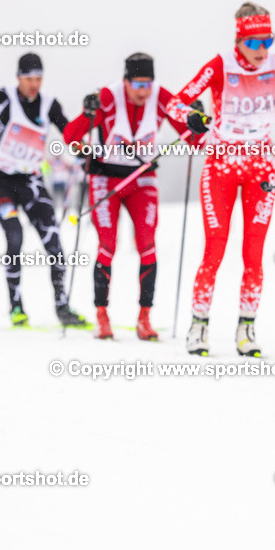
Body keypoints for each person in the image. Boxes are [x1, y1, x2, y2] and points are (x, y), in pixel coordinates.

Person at [166, 2, 275, 357]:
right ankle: (199, 325)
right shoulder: (220, 65)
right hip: (221, 167)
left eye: (268, 40)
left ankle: (246, 328)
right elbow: (175, 104)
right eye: (253, 43)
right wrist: (191, 117)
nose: (261, 49)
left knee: (253, 253)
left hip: (260, 170)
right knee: (214, 250)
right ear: (239, 40)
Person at [0, 53, 87, 328]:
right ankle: (16, 307)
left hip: (30, 181)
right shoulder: (0, 98)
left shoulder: (49, 104)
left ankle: (62, 307)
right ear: (18, 78)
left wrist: (85, 143)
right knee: (15, 236)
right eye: (29, 79)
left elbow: (70, 134)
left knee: (53, 240)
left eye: (38, 79)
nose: (34, 84)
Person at [63, 53, 190, 341]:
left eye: (148, 84)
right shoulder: (109, 97)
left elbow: (192, 138)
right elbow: (71, 137)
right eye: (137, 84)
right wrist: (87, 114)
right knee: (107, 244)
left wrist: (195, 119)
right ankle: (102, 315)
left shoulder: (161, 98)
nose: (143, 91)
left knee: (147, 244)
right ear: (125, 81)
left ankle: (144, 317)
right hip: (106, 179)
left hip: (141, 179)